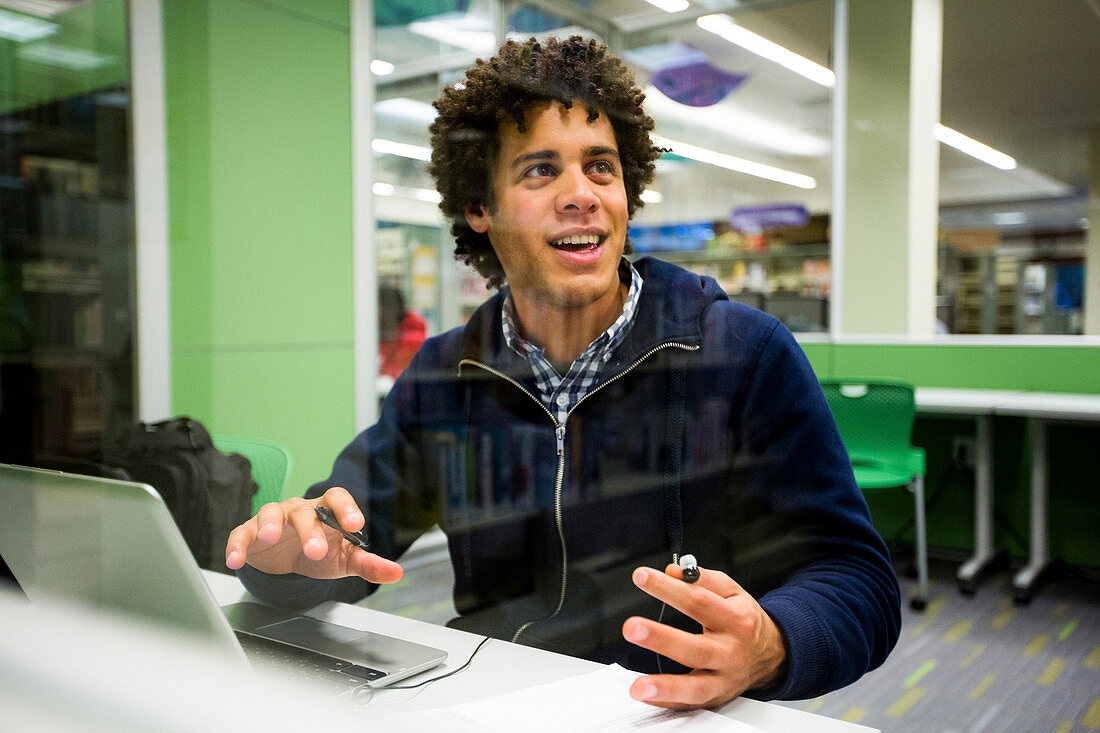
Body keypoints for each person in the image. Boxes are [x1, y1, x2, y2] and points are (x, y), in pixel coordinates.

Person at [226, 36, 900, 710]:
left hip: (668, 710)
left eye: (601, 167)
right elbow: (343, 536)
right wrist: (293, 559)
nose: (582, 195)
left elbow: (854, 575)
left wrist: (773, 639)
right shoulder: (446, 374)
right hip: (493, 705)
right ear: (480, 208)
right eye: (541, 170)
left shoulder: (743, 355)